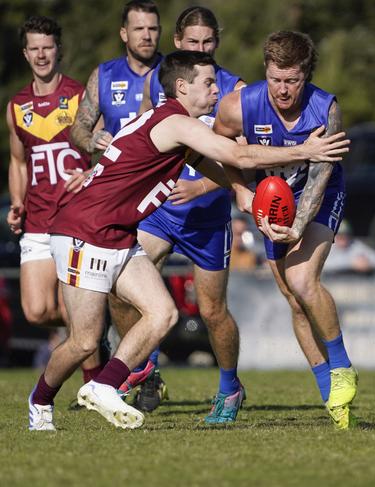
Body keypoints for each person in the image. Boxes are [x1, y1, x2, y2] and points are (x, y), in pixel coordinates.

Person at [26, 49, 350, 431]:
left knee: (163, 314)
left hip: (117, 235)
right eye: (208, 83)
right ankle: (40, 401)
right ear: (182, 87)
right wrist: (304, 150)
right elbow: (237, 153)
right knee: (83, 342)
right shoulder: (176, 122)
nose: (217, 90)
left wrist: (241, 192)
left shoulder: (177, 127)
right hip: (86, 233)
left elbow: (209, 164)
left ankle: (105, 386)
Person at [214, 31, 358, 430]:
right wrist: (241, 188)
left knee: (301, 279)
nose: (283, 89)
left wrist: (296, 228)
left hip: (320, 197)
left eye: (292, 80)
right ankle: (332, 394)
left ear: (305, 75)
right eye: (276, 79)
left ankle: (343, 367)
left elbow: (317, 181)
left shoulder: (325, 108)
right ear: (266, 71)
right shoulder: (239, 105)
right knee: (294, 301)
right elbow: (218, 148)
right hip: (272, 202)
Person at [115, 6, 248, 422]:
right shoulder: (163, 82)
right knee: (120, 284)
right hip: (161, 211)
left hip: (208, 217)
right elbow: (143, 133)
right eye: (193, 42)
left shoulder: (232, 91)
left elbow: (243, 160)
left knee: (212, 311)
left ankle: (230, 388)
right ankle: (145, 368)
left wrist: (203, 185)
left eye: (208, 42)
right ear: (177, 43)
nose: (201, 48)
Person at [70, 0, 167, 411]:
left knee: (156, 297)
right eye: (139, 29)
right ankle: (128, 375)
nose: (147, 35)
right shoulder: (104, 76)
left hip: (161, 199)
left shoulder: (174, 74)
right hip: (113, 203)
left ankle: (138, 375)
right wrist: (92, 141)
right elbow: (78, 126)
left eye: (153, 28)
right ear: (124, 34)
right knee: (113, 297)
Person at [6, 16, 103, 395]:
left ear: (58, 50)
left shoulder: (80, 96)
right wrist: (17, 201)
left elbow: (102, 148)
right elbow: (17, 161)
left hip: (75, 220)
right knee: (36, 310)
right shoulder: (16, 106)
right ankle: (96, 337)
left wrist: (92, 177)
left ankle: (93, 385)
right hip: (37, 222)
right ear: (26, 53)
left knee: (73, 308)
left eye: (48, 47)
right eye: (34, 48)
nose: (42, 54)